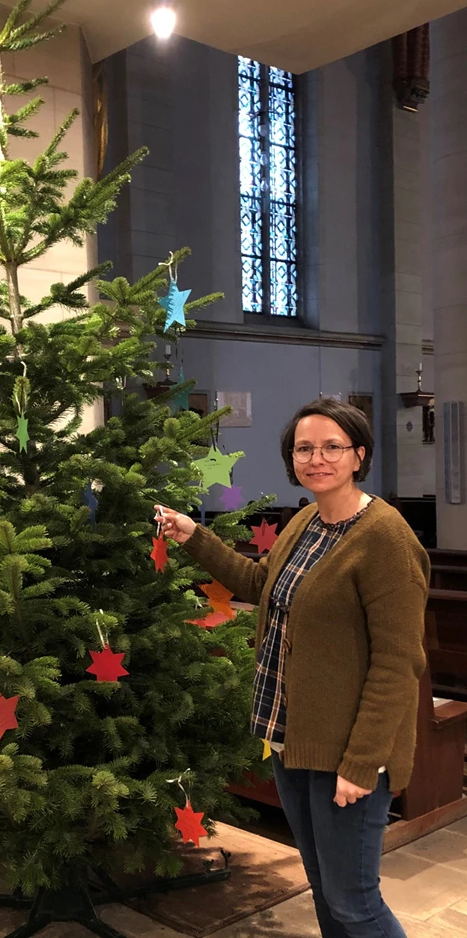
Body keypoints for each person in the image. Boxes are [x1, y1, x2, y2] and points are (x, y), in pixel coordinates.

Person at [155, 398, 429, 938]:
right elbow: (260, 584)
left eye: (332, 447)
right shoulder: (306, 519)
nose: (316, 458)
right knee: (325, 890)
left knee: (355, 902)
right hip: (291, 737)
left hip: (346, 751)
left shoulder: (385, 538)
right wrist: (195, 536)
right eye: (304, 448)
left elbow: (399, 663)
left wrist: (363, 762)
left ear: (359, 456)